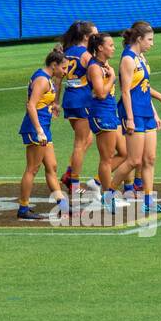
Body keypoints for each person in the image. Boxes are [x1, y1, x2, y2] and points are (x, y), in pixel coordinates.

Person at [107, 22, 161, 215]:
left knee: (150, 159)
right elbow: (126, 91)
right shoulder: (128, 59)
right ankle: (109, 193)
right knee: (134, 160)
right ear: (139, 39)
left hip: (145, 111)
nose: (152, 43)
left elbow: (143, 85)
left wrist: (155, 109)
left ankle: (148, 201)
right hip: (133, 113)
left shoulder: (141, 57)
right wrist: (129, 119)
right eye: (149, 39)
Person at [17, 48, 70, 221]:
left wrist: (53, 105)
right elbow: (31, 105)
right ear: (54, 65)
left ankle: (62, 204)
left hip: (44, 127)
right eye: (63, 68)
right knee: (32, 168)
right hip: (36, 128)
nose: (65, 72)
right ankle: (23, 208)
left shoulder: (48, 78)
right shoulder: (42, 79)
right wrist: (39, 130)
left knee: (52, 166)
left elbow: (42, 101)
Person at [85, 31, 129, 213]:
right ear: (100, 48)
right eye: (110, 45)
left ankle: (97, 182)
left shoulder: (104, 64)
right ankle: (107, 195)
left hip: (111, 112)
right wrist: (112, 78)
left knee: (125, 153)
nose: (113, 48)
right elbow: (101, 93)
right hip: (101, 114)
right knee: (107, 158)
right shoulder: (95, 67)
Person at [58, 20, 98, 194]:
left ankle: (69, 173)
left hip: (70, 98)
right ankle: (74, 183)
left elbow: (58, 79)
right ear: (86, 37)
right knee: (80, 143)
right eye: (95, 35)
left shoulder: (66, 52)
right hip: (83, 99)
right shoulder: (86, 56)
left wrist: (56, 102)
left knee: (87, 139)